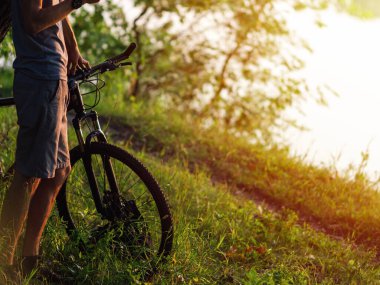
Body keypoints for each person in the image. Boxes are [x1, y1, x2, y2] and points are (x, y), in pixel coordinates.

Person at [0, 0, 100, 279]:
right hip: (39, 78)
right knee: (28, 176)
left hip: (55, 77)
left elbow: (57, 12)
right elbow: (33, 21)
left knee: (58, 172)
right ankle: (4, 264)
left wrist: (74, 50)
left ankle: (28, 259)